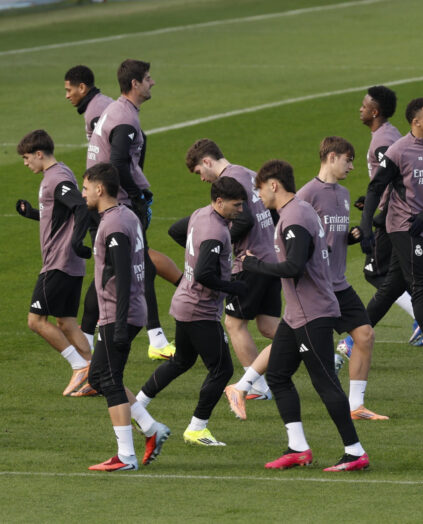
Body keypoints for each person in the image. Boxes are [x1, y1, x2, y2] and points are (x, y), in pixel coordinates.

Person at [243, 159, 369, 471]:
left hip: (312, 314)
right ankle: (298, 447)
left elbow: (294, 267)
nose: (258, 196)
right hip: (296, 315)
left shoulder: (296, 217)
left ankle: (355, 451)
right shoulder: (294, 211)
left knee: (325, 383)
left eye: (259, 189)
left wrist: (252, 264)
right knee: (278, 375)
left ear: (273, 185)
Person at [66, 64, 181, 353]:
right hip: (114, 205)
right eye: (147, 79)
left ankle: (88, 342)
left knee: (112, 270)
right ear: (134, 83)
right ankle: (150, 337)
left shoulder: (115, 109)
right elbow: (117, 161)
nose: (152, 83)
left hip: (105, 201)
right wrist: (136, 196)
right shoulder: (123, 116)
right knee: (133, 268)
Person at [135, 177, 248, 446]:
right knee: (222, 369)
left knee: (181, 361)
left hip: (183, 303)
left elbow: (176, 231)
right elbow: (204, 273)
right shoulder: (216, 232)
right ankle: (197, 428)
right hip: (200, 310)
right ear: (220, 202)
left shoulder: (201, 214)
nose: (241, 210)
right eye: (237, 204)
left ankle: (136, 405)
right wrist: (232, 287)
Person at [358, 97, 423, 374]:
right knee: (421, 284)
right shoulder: (398, 151)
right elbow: (374, 189)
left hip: (422, 226)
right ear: (416, 122)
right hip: (401, 226)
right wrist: (366, 227)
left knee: (392, 286)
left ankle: (350, 340)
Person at [176, 139, 278, 419]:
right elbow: (271, 209)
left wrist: (216, 245)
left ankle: (255, 385)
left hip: (251, 260)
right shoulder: (247, 172)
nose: (202, 179)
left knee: (234, 323)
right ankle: (318, 352)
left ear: (207, 162)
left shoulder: (230, 182)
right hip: (271, 255)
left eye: (199, 172)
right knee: (270, 327)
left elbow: (244, 222)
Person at [81, 163, 170, 471]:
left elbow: (124, 276)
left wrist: (118, 325)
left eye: (85, 187)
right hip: (126, 310)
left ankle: (126, 456)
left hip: (120, 312)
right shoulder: (125, 216)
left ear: (99, 189)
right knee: (98, 378)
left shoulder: (115, 225)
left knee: (109, 379)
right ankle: (150, 428)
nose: (83, 193)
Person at [297, 137, 388, 421]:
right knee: (289, 347)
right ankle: (244, 384)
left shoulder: (345, 194)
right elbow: (292, 237)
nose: (351, 166)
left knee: (364, 335)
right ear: (332, 157)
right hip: (316, 286)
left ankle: (356, 405)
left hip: (339, 282)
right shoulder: (306, 195)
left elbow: (330, 237)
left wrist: (349, 237)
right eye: (348, 160)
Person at [349, 85, 423, 349]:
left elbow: (392, 182)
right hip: (395, 215)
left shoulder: (383, 141)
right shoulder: (387, 135)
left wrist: (377, 217)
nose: (360, 108)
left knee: (380, 274)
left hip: (396, 218)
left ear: (375, 111)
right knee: (393, 277)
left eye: (364, 105)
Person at [15, 129, 94, 397]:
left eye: (27, 158)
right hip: (67, 263)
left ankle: (79, 367)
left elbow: (80, 207)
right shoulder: (60, 173)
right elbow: (59, 215)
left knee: (36, 320)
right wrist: (33, 214)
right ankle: (96, 373)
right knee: (66, 322)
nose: (26, 163)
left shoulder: (56, 178)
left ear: (39, 154)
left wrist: (76, 243)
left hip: (58, 262)